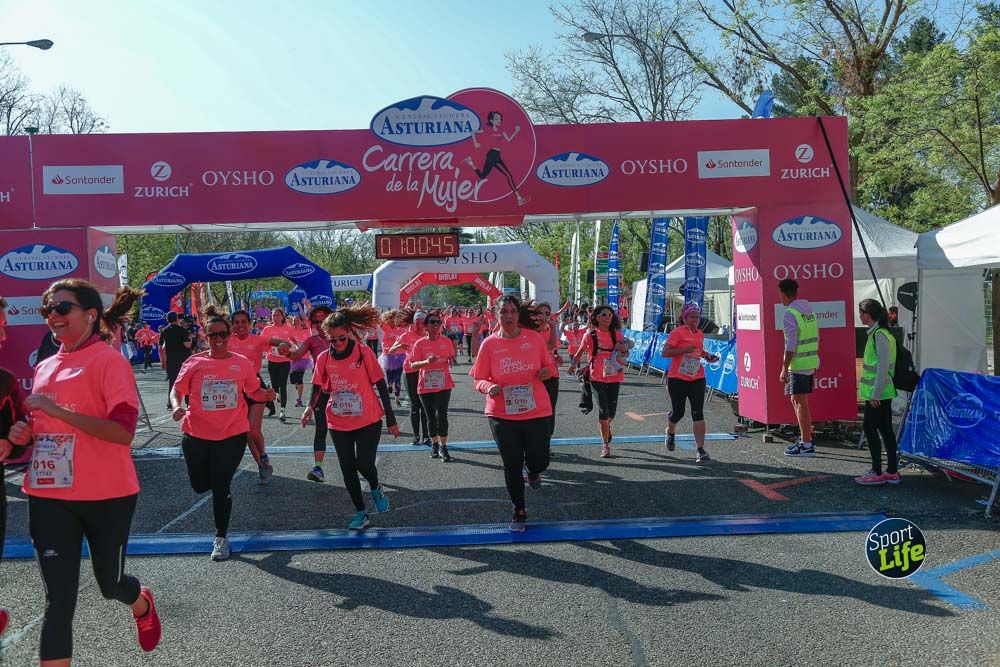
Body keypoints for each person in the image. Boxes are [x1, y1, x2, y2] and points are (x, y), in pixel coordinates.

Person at [9, 280, 161, 662]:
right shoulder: (45, 366)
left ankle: (141, 602)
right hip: (48, 495)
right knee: (58, 600)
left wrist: (58, 411)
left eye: (62, 308)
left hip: (107, 494)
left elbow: (122, 433)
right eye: (47, 309)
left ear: (91, 315)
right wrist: (25, 435)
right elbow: (44, 430)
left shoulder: (109, 362)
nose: (53, 315)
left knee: (110, 585)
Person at [170, 306, 276, 560]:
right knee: (199, 485)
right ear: (205, 337)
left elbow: (253, 391)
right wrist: (176, 406)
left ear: (229, 335)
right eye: (213, 335)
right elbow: (177, 390)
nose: (218, 339)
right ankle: (214, 483)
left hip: (231, 435)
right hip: (196, 435)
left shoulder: (241, 363)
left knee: (220, 486)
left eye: (222, 334)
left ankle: (221, 538)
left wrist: (267, 395)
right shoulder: (194, 362)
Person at [300, 305, 400, 530]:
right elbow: (316, 385)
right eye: (332, 339)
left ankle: (375, 486)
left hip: (368, 419)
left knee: (364, 464)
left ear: (348, 333)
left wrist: (391, 419)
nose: (337, 343)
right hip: (338, 421)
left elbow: (380, 385)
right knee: (347, 469)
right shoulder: (324, 358)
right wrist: (308, 408)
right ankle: (361, 513)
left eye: (342, 338)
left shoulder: (363, 353)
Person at [471, 296, 556, 531]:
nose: (508, 316)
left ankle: (534, 470)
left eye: (512, 312)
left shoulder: (534, 339)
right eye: (503, 312)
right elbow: (478, 378)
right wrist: (489, 386)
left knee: (540, 460)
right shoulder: (489, 344)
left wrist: (546, 372)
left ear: (518, 315)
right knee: (511, 464)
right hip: (502, 414)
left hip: (536, 410)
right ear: (496, 315)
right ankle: (519, 510)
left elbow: (549, 365)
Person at [0, 298, 30, 639]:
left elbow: (19, 430)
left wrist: (14, 441)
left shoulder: (6, 382)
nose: (4, 337)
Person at [569, 305, 633, 458]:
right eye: (604, 314)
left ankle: (605, 426)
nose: (608, 317)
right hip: (596, 377)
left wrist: (624, 349)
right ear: (596, 318)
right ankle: (605, 445)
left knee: (611, 413)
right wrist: (573, 365)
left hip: (614, 376)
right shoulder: (590, 335)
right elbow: (579, 352)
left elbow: (626, 354)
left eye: (610, 315)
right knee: (603, 411)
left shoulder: (617, 334)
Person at [660, 304, 720, 463]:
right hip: (677, 378)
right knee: (678, 412)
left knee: (698, 412)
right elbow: (665, 353)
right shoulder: (677, 332)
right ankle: (670, 432)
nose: (695, 320)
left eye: (697, 317)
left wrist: (707, 356)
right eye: (692, 317)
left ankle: (700, 450)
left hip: (697, 377)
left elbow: (698, 351)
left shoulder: (700, 333)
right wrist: (683, 350)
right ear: (684, 318)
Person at [855, 299, 901, 486]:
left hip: (878, 394)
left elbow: (882, 367)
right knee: (886, 430)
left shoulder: (879, 335)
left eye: (861, 312)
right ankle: (892, 471)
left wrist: (875, 394)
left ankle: (877, 471)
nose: (859, 315)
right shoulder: (880, 333)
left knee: (870, 428)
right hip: (882, 392)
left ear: (868, 315)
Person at [288, 305, 334, 482]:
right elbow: (296, 355)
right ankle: (318, 468)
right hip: (320, 389)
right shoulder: (312, 341)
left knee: (347, 431)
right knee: (321, 428)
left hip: (344, 390)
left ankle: (358, 464)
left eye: (323, 321)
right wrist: (286, 352)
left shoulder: (343, 338)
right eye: (316, 322)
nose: (320, 325)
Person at [778, 279, 820, 457]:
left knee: (799, 402)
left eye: (780, 294)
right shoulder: (808, 311)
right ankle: (805, 439)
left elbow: (791, 344)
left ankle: (807, 444)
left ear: (784, 294)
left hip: (798, 364)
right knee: (798, 401)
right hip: (809, 361)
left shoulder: (790, 314)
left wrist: (784, 368)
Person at [410, 310, 456, 461]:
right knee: (430, 417)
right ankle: (434, 444)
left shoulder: (446, 341)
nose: (436, 324)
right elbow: (412, 365)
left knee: (442, 416)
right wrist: (426, 362)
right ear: (426, 326)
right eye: (432, 322)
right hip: (426, 386)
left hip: (444, 385)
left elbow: (451, 356)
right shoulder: (420, 344)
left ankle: (443, 446)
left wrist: (452, 360)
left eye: (438, 322)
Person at [388, 309, 431, 446]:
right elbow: (390, 351)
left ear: (425, 323)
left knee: (425, 404)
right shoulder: (406, 335)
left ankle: (426, 436)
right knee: (414, 404)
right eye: (416, 322)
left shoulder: (430, 335)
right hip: (410, 371)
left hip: (425, 372)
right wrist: (400, 345)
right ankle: (416, 436)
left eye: (421, 322)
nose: (418, 325)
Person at [260, 308, 300, 423]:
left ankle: (282, 411)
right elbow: (262, 341)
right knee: (275, 386)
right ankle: (276, 393)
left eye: (278, 315)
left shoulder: (288, 328)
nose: (275, 317)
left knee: (283, 385)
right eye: (274, 315)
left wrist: (297, 348)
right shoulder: (267, 329)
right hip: (272, 360)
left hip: (284, 361)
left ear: (283, 316)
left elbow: (293, 339)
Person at [159, 311, 192, 408]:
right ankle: (188, 402)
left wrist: (162, 361)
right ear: (177, 319)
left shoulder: (164, 331)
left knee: (172, 381)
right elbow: (187, 344)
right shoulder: (182, 330)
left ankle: (171, 402)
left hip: (171, 359)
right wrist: (190, 339)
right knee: (186, 380)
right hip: (183, 359)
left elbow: (161, 348)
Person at [378, 310, 405, 407]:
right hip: (388, 356)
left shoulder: (401, 328)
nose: (392, 320)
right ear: (387, 319)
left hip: (400, 356)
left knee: (397, 379)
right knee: (390, 378)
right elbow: (378, 320)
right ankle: (389, 385)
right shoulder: (385, 327)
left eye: (395, 318)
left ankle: (397, 399)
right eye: (390, 318)